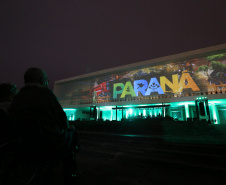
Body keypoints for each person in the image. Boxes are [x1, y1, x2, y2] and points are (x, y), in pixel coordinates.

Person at [9, 68, 79, 184]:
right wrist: (68, 129)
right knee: (72, 133)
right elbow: (63, 120)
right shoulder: (46, 95)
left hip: (23, 142)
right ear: (43, 81)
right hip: (49, 142)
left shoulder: (17, 97)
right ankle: (70, 174)